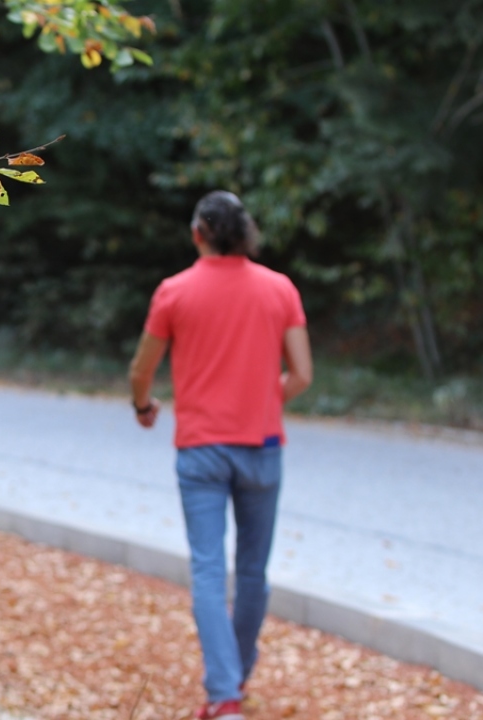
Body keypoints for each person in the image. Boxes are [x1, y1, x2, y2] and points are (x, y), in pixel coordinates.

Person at [128, 191, 313, 720]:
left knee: (209, 571)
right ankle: (238, 673)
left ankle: (224, 696)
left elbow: (142, 369)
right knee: (253, 572)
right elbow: (301, 374)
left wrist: (143, 405)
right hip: (263, 448)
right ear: (246, 233)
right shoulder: (280, 289)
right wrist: (261, 398)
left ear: (197, 234)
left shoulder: (174, 292)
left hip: (201, 450)